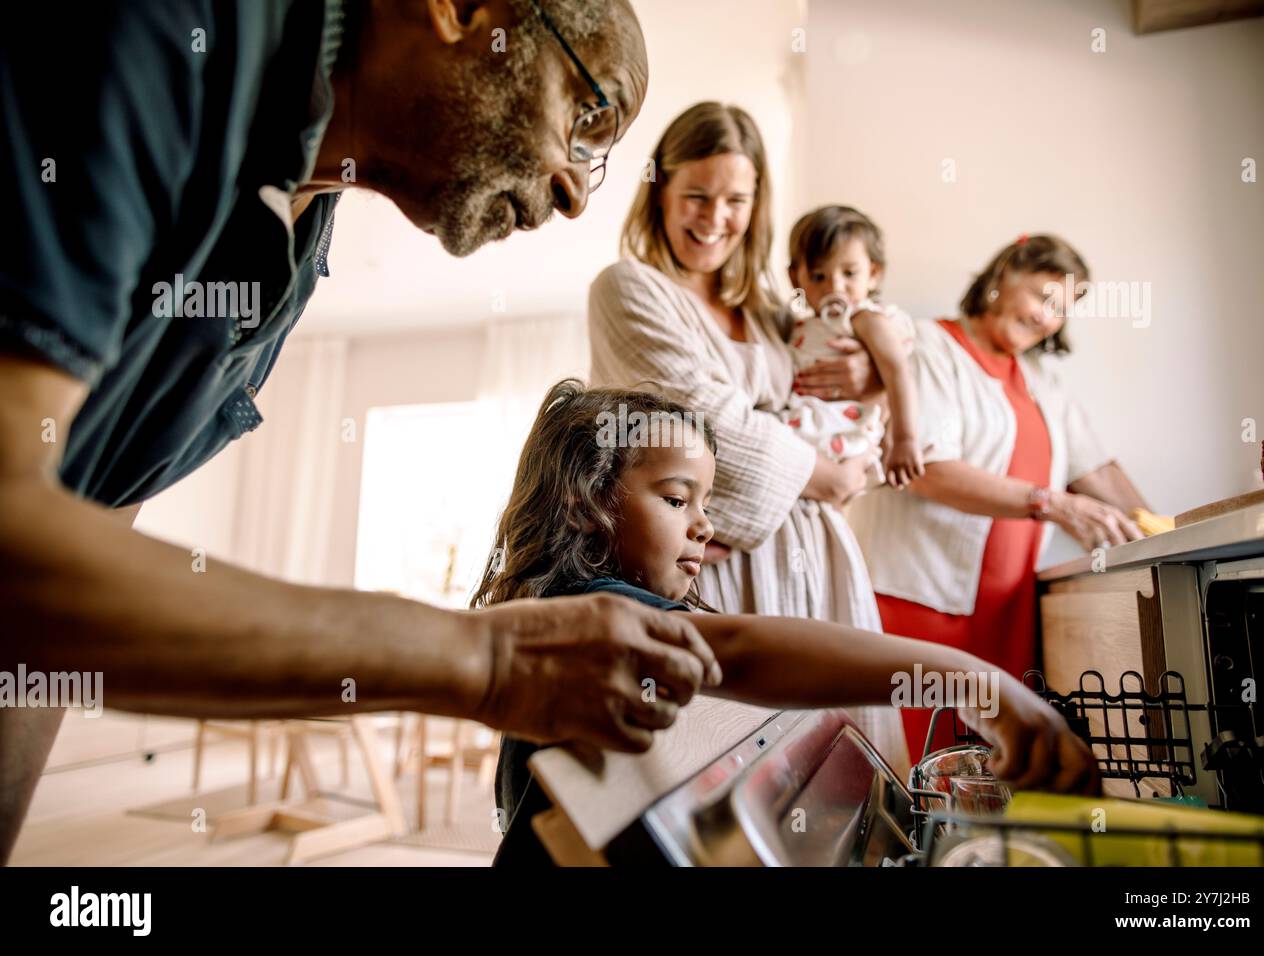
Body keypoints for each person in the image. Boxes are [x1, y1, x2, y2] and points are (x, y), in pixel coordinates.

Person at [0, 0, 724, 864]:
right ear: (461, 11)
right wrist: (483, 662)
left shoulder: (303, 246)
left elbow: (85, 511)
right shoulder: (166, 29)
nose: (573, 194)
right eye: (585, 119)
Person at [474, 379, 1101, 865]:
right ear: (585, 504)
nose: (704, 524)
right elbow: (744, 652)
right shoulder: (591, 613)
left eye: (706, 502)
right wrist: (969, 679)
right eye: (674, 499)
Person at [586, 102, 909, 773]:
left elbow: (880, 359)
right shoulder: (629, 290)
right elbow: (699, 424)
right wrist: (824, 476)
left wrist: (872, 376)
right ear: (660, 193)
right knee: (737, 776)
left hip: (816, 567)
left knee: (839, 780)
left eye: (735, 199)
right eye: (696, 196)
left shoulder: (775, 315)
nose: (714, 218)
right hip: (716, 574)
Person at [849, 234, 1149, 761]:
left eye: (1062, 309)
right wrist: (1053, 503)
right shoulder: (928, 345)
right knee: (920, 766)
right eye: (1042, 296)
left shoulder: (1042, 380)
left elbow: (1096, 468)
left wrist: (1159, 526)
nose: (1047, 318)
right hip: (921, 597)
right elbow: (927, 470)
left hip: (1005, 609)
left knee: (992, 766)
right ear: (1003, 274)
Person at [781, 204, 923, 490]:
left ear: (873, 273)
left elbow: (897, 371)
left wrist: (905, 439)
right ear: (795, 278)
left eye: (849, 273)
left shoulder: (864, 318)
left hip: (845, 428)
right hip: (810, 422)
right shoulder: (798, 325)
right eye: (819, 276)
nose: (835, 286)